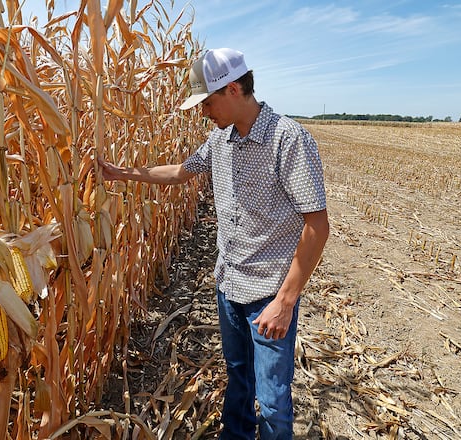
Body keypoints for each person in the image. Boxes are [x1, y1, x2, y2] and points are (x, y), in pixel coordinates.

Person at [98, 48, 329, 440]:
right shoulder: (219, 140)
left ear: (234, 89)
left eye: (207, 102)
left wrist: (285, 302)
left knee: (273, 402)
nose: (204, 112)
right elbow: (178, 173)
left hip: (268, 294)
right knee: (239, 377)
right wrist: (120, 174)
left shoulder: (287, 140)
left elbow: (317, 226)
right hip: (229, 286)